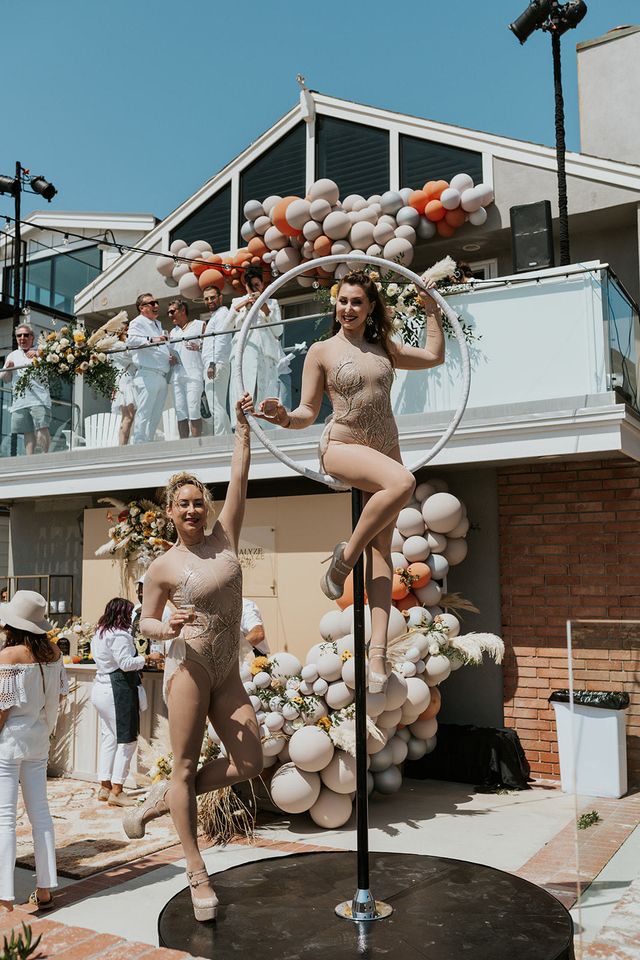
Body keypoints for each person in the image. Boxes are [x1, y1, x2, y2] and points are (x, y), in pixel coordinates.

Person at [255, 270, 444, 693]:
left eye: (357, 301)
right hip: (342, 445)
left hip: (385, 449)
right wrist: (282, 417)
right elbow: (307, 411)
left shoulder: (384, 349)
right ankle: (344, 559)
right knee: (403, 483)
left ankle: (377, 652)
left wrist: (431, 307)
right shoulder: (322, 351)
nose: (348, 308)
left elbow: (434, 356)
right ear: (335, 304)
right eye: (343, 301)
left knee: (382, 552)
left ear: (371, 307)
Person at [122, 392, 263, 923]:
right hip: (189, 667)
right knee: (184, 764)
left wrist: (242, 428)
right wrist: (166, 626)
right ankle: (196, 869)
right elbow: (144, 621)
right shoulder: (162, 566)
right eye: (182, 503)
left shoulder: (226, 536)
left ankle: (168, 795)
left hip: (228, 667)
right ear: (170, 512)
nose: (192, 509)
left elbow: (240, 477)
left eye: (198, 501)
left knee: (251, 761)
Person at [0, 591, 68, 912]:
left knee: (4, 817)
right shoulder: (54, 653)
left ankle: (4, 895)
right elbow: (60, 697)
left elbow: (2, 710)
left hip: (9, 743)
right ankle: (44, 890)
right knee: (40, 814)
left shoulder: (9, 656)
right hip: (39, 741)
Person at [90, 597, 163, 807]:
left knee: (109, 738)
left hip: (101, 688)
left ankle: (105, 786)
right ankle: (117, 790)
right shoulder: (120, 635)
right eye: (130, 613)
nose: (133, 617)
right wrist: (148, 658)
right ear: (123, 614)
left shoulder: (100, 632)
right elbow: (126, 663)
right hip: (117, 690)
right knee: (128, 740)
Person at [228, 265, 284, 412]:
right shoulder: (237, 302)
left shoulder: (271, 303)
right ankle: (242, 421)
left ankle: (265, 421)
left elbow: (278, 331)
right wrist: (243, 305)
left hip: (265, 353)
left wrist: (265, 309)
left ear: (262, 284)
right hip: (243, 352)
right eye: (251, 286)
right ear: (245, 286)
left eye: (257, 285)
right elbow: (225, 328)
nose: (254, 289)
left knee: (265, 392)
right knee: (243, 392)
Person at [126, 294, 174, 444]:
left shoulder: (157, 324)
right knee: (145, 412)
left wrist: (168, 356)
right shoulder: (137, 322)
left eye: (156, 302)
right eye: (152, 303)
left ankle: (149, 441)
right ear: (142, 308)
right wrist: (152, 339)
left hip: (161, 375)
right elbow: (131, 340)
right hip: (147, 374)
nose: (156, 305)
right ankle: (139, 442)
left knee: (156, 414)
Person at [0, 324, 51, 455]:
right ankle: (29, 460)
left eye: (26, 335)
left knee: (42, 428)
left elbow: (55, 359)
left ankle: (45, 458)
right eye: (19, 335)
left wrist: (39, 353)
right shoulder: (12, 355)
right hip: (20, 402)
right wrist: (8, 369)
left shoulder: (42, 350)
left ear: (32, 337)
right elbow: (5, 379)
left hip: (39, 399)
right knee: (27, 432)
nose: (22, 338)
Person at [168, 298, 205, 440]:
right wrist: (170, 358)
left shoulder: (200, 325)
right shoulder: (172, 332)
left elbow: (210, 347)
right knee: (180, 412)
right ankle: (184, 444)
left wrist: (199, 347)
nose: (170, 315)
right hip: (177, 377)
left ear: (182, 310)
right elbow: (170, 353)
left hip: (194, 375)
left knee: (194, 410)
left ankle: (196, 446)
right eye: (168, 312)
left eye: (172, 311)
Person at [202, 286, 233, 435]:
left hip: (216, 364)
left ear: (220, 297)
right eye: (206, 298)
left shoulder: (222, 314)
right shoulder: (216, 316)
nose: (209, 301)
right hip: (215, 362)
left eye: (212, 297)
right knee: (217, 404)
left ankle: (222, 437)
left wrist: (212, 363)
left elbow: (221, 339)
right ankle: (226, 437)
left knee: (215, 405)